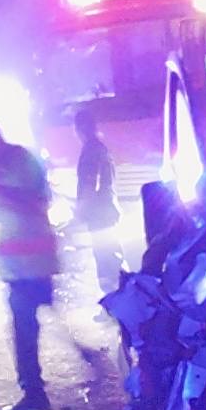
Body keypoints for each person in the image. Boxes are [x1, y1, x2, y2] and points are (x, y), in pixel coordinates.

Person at [0, 122, 59, 410]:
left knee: (24, 329)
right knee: (33, 322)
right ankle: (36, 387)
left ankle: (34, 393)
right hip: (23, 263)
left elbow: (34, 202)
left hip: (30, 262)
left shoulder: (19, 162)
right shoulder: (10, 165)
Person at [73, 107, 122, 301]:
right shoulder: (101, 148)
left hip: (99, 213)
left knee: (104, 258)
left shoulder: (90, 151)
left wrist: (80, 211)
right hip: (108, 209)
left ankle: (113, 301)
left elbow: (89, 185)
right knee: (111, 255)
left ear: (79, 129)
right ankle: (120, 297)